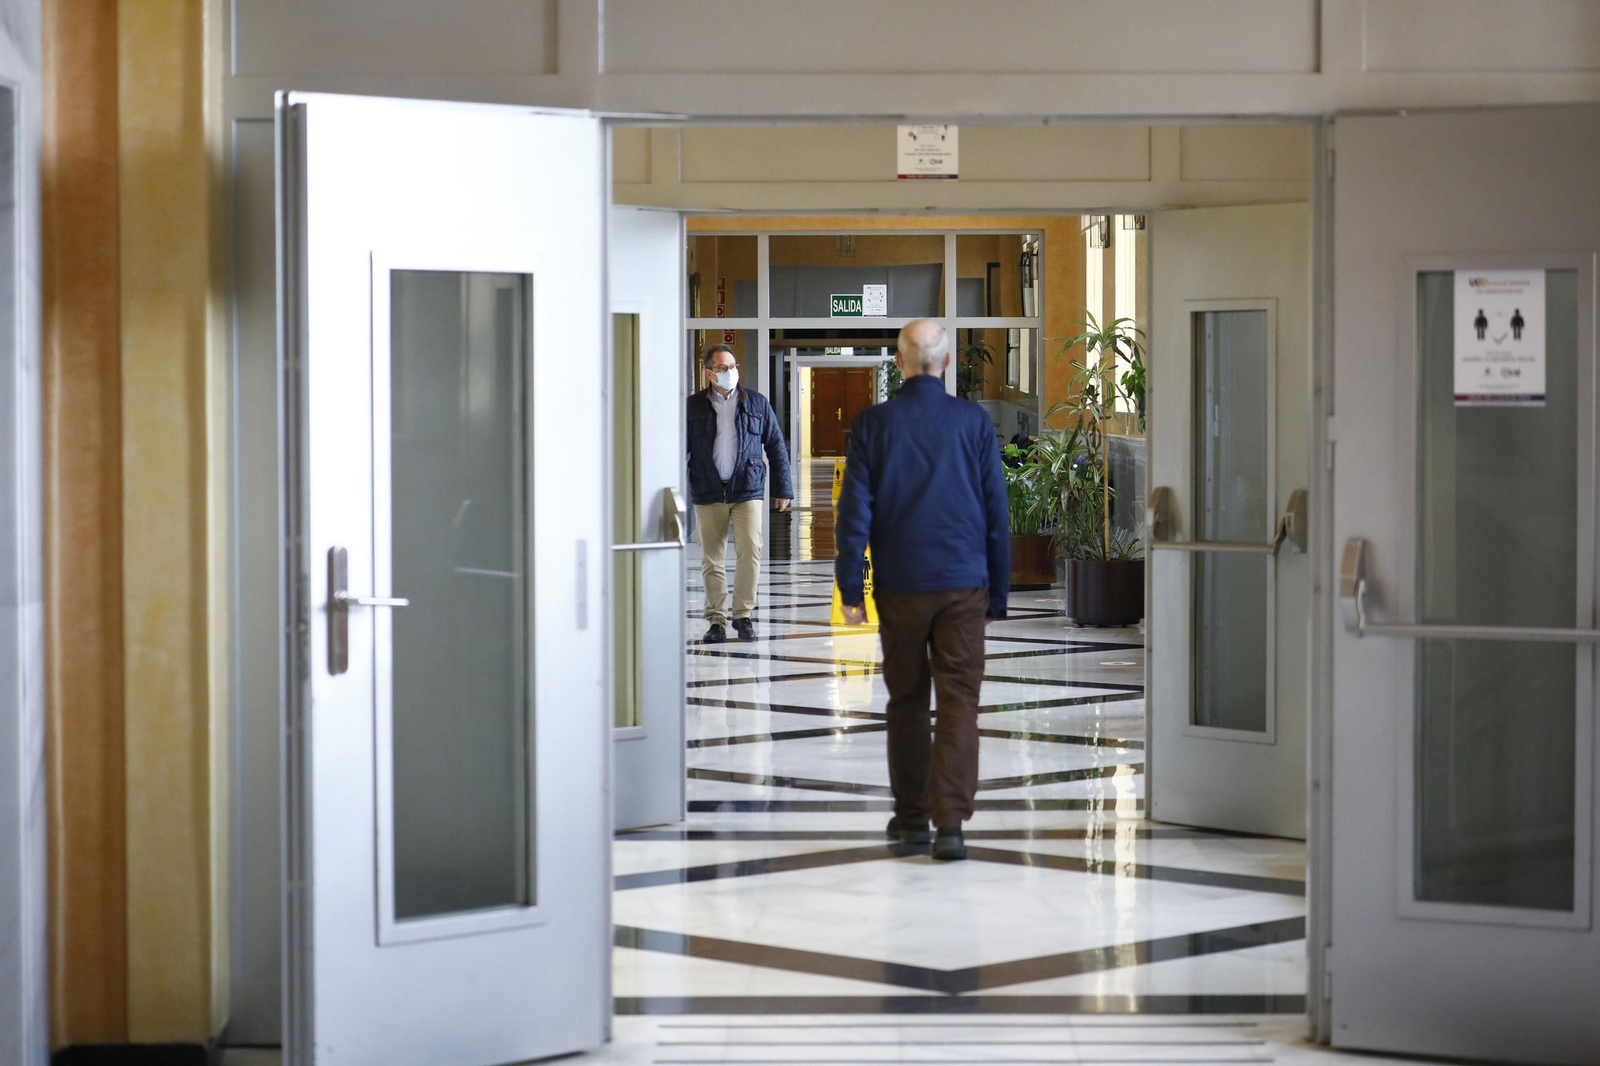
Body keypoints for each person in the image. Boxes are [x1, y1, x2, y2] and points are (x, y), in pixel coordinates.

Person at [834, 319, 1009, 861]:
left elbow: (853, 514)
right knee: (959, 702)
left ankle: (911, 821)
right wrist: (998, 595)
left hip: (902, 585)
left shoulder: (873, 424)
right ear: (947, 362)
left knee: (907, 701)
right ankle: (950, 826)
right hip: (963, 585)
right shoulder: (972, 422)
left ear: (899, 362)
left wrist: (851, 590)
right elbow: (996, 512)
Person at [686, 344, 793, 643]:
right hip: (707, 489)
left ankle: (743, 616)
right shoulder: (693, 406)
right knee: (712, 558)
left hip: (747, 487)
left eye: (733, 366)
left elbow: (776, 445)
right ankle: (716, 621)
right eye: (722, 368)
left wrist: (783, 488)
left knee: (751, 551)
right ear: (709, 373)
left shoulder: (756, 403)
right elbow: (678, 447)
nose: (730, 372)